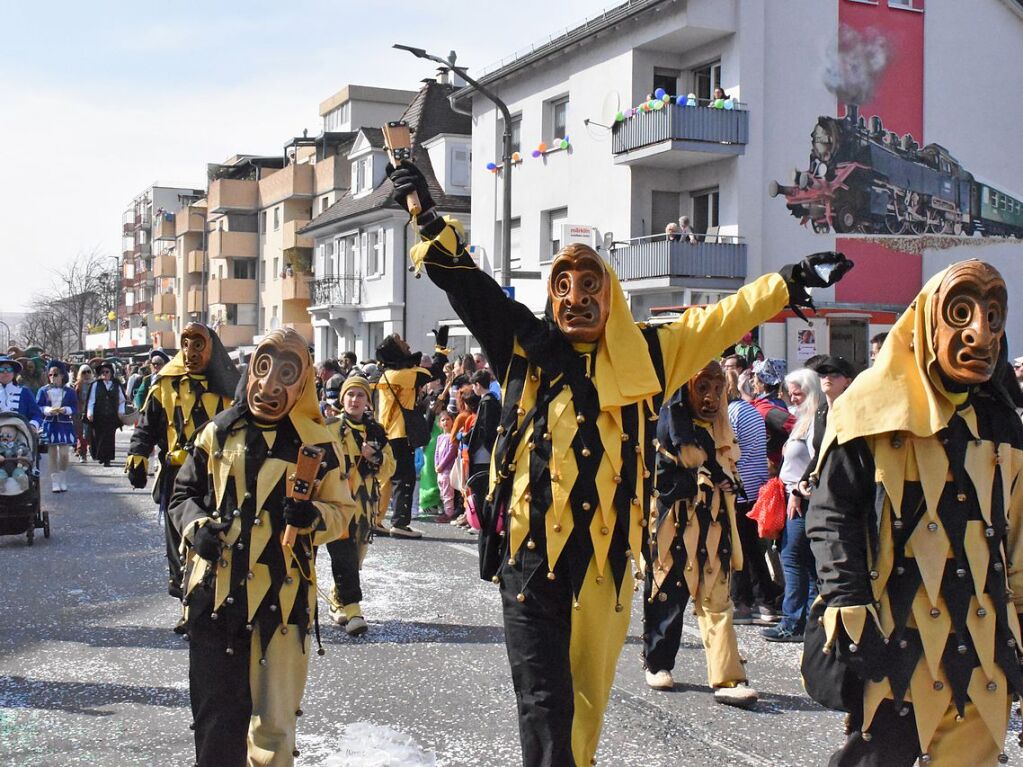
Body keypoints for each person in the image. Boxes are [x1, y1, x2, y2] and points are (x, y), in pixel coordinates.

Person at [388, 158, 851, 767]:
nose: (575, 300)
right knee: (543, 705)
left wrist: (788, 283)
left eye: (589, 288)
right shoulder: (523, 347)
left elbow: (720, 321)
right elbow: (468, 287)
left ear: (610, 297)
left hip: (603, 565)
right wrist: (425, 216)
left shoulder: (649, 360)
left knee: (585, 705)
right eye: (563, 287)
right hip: (531, 562)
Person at [806, 261, 1023, 766]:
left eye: (994, 316)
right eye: (962, 313)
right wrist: (848, 601)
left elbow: (1017, 533)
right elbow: (832, 514)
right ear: (928, 321)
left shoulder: (1003, 426)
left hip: (983, 643)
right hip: (893, 635)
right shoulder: (866, 412)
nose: (981, 333)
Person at [169, 327, 355, 767]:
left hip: (283, 602)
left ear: (304, 381)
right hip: (215, 597)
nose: (268, 385)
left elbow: (343, 511)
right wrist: (197, 528)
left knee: (274, 730)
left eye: (285, 372)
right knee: (216, 724)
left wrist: (314, 518)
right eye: (263, 366)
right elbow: (183, 495)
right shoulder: (218, 432)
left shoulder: (320, 443)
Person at [642, 361, 758, 707]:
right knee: (668, 593)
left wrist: (726, 481)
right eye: (702, 387)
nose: (710, 397)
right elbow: (658, 479)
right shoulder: (665, 426)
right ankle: (658, 661)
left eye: (718, 388)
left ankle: (728, 676)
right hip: (673, 524)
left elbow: (730, 469)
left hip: (715, 524)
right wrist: (699, 479)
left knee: (718, 598)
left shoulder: (722, 429)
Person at [126, 325, 237, 602]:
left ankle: (211, 598)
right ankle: (185, 599)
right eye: (185, 343)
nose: (189, 352)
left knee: (211, 536)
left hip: (216, 476)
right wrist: (137, 455)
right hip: (176, 476)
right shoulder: (164, 385)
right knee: (178, 539)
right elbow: (146, 426)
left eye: (197, 344)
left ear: (210, 347)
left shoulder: (229, 389)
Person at [324, 375, 394, 637]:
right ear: (342, 399)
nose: (355, 400)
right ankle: (353, 609)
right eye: (350, 395)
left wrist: (373, 456)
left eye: (360, 395)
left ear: (367, 401)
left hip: (363, 507)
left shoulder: (376, 432)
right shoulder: (328, 427)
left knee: (355, 557)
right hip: (335, 504)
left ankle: (337, 599)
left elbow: (390, 468)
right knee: (342, 553)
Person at [761, 367, 822, 642]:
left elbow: (818, 460)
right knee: (804, 562)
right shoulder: (804, 418)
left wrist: (799, 489)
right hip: (794, 494)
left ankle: (792, 623)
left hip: (801, 498)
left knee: (792, 559)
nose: (792, 398)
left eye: (797, 394)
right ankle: (808, 622)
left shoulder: (816, 421)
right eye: (791, 393)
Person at [374, 332, 447, 539]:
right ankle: (400, 523)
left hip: (389, 432)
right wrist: (440, 349)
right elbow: (431, 372)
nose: (406, 345)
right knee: (404, 479)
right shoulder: (402, 375)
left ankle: (376, 520)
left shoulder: (390, 373)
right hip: (399, 433)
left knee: (388, 478)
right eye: (401, 343)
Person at [725, 369, 780, 625]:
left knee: (738, 548)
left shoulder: (730, 414)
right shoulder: (750, 410)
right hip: (754, 484)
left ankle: (744, 601)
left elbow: (729, 449)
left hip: (737, 487)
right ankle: (763, 602)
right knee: (752, 548)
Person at [37, 361, 78, 493]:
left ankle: (62, 477)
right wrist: (48, 410)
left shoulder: (70, 391)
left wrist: (66, 410)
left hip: (64, 424)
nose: (53, 377)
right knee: (52, 453)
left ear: (62, 375)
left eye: (56, 374)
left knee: (65, 454)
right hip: (50, 424)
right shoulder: (43, 391)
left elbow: (75, 407)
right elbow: (38, 407)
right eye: (50, 374)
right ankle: (55, 481)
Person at [750, 358, 795, 470]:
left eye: (754, 378)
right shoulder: (771, 402)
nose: (752, 382)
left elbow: (796, 425)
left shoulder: (767, 407)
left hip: (774, 464)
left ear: (763, 383)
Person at [86, 360, 124, 466]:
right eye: (103, 372)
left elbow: (122, 400)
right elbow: (91, 400)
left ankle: (107, 459)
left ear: (111, 373)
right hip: (99, 415)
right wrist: (90, 413)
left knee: (109, 437)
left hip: (112, 416)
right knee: (98, 436)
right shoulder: (95, 385)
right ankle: (100, 456)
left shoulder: (116, 385)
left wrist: (121, 412)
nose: (105, 374)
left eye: (107, 372)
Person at [0, 355, 44, 429]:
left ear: (14, 373)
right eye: (1, 369)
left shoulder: (24, 392)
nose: (5, 372)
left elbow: (37, 415)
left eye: (9, 369)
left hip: (19, 435)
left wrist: (32, 425)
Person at [74, 364, 94, 462]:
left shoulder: (95, 384)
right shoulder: (78, 384)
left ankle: (92, 447)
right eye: (84, 372)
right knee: (82, 434)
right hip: (81, 412)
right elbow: (75, 399)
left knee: (91, 433)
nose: (86, 374)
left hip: (93, 412)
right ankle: (82, 454)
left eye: (88, 371)